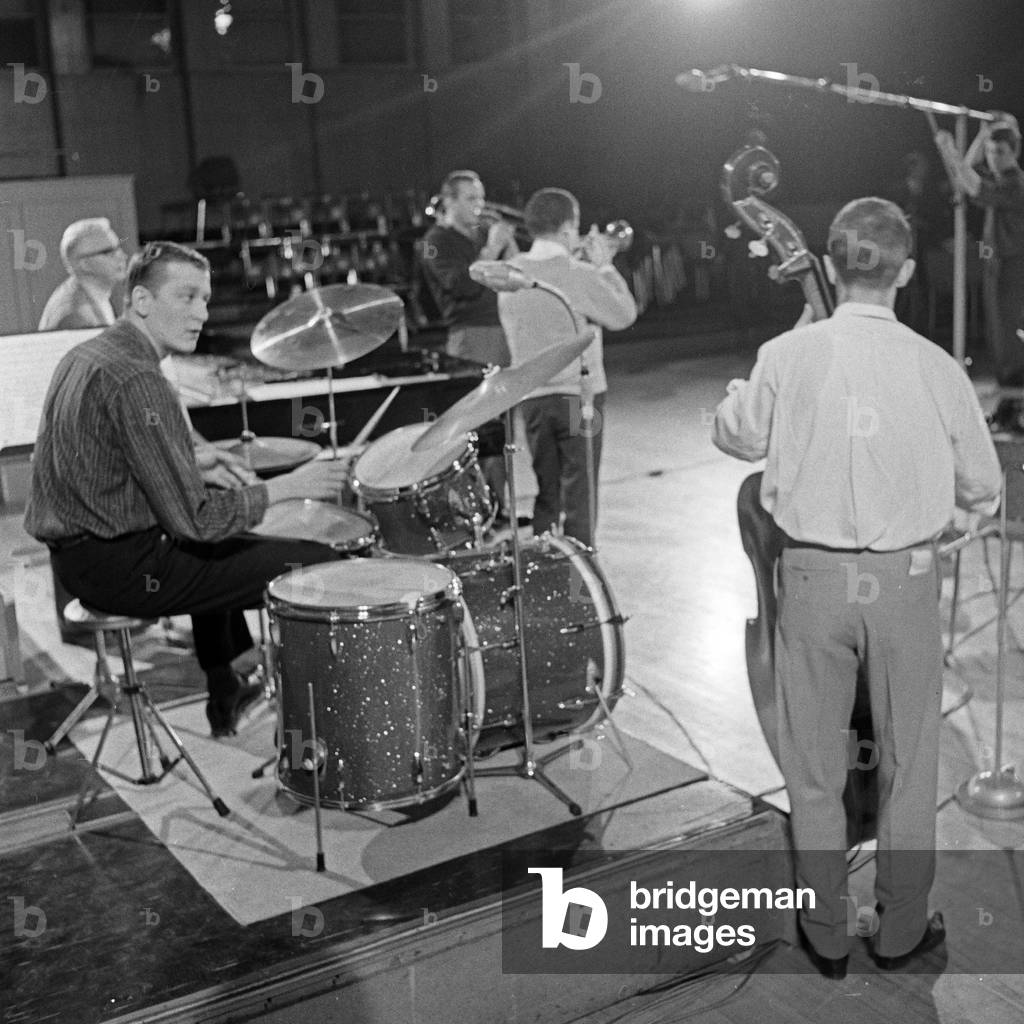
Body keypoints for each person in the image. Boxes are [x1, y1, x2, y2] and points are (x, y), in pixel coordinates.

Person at [712, 198, 1000, 978]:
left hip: (810, 580)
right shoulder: (937, 365)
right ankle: (902, 930)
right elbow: (985, 486)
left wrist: (760, 374)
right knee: (910, 762)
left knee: (813, 767)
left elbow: (735, 434)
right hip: (903, 584)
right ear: (906, 271)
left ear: (833, 269)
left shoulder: (787, 353)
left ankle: (827, 933)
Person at [25, 242, 348, 737]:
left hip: (77, 560)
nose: (201, 312)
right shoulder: (137, 378)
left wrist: (198, 460)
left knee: (221, 546)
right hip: (120, 568)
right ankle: (329, 732)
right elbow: (196, 521)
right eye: (187, 296)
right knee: (316, 563)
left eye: (205, 299)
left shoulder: (92, 353)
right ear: (141, 300)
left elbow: (110, 458)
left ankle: (227, 684)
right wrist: (286, 487)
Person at [498, 188, 637, 548]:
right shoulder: (579, 273)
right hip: (581, 400)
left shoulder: (509, 276)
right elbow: (624, 314)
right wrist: (604, 266)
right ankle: (580, 585)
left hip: (533, 401)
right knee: (582, 497)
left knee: (547, 492)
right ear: (567, 228)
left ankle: (544, 575)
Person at [421, 170, 519, 518]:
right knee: (477, 425)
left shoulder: (480, 235)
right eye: (470, 199)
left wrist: (506, 244)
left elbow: (513, 273)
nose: (479, 206)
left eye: (481, 197)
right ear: (448, 202)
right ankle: (475, 511)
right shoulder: (436, 240)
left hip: (502, 327)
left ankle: (499, 505)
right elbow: (459, 285)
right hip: (472, 334)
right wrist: (492, 246)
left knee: (501, 423)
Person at [935, 113, 1024, 385]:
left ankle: (1014, 378)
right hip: (997, 260)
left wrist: (949, 150)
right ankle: (1008, 377)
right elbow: (969, 171)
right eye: (990, 152)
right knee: (997, 324)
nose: (993, 158)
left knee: (1007, 323)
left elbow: (973, 185)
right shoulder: (998, 176)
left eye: (999, 152)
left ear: (1013, 153)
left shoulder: (1014, 183)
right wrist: (981, 136)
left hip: (1014, 262)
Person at [38, 217, 128, 331]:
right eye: (108, 252)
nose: (122, 256)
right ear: (84, 264)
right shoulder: (76, 317)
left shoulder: (95, 292)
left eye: (118, 248)